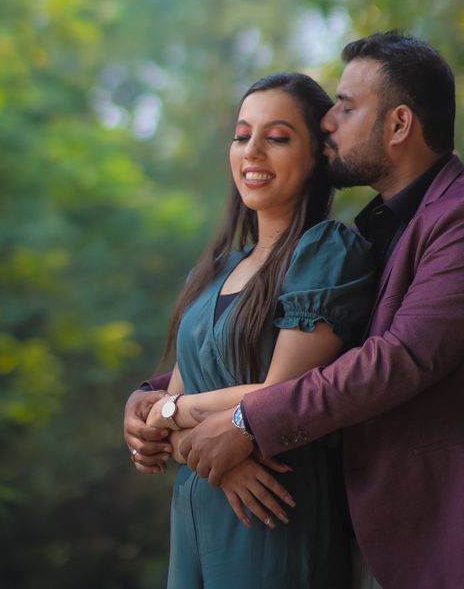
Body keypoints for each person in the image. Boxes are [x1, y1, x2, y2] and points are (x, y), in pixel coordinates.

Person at [163, 31, 464, 589]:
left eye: (346, 106)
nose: (329, 122)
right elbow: (296, 345)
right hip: (407, 532)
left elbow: (398, 359)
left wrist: (245, 422)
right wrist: (155, 403)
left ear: (399, 124)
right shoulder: (376, 232)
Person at [128, 71, 377, 589]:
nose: (253, 151)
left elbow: (281, 395)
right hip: (197, 513)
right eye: (243, 136)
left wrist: (173, 413)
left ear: (317, 157)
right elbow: (168, 410)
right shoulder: (217, 269)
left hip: (270, 518)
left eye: (278, 137)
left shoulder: (326, 253)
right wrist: (192, 443)